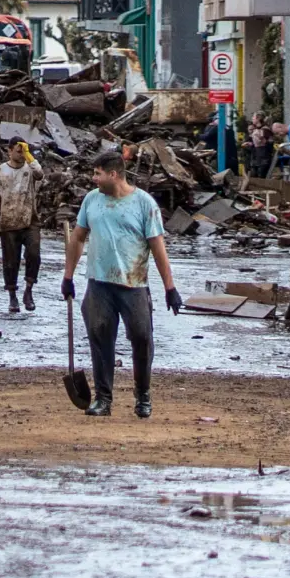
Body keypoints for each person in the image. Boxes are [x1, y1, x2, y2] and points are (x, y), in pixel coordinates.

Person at [62, 151, 182, 418]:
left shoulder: (143, 204)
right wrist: (68, 276)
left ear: (113, 174)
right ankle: (103, 399)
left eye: (97, 173)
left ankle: (143, 395)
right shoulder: (91, 201)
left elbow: (158, 248)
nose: (94, 179)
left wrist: (169, 288)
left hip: (134, 284)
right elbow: (78, 238)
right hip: (99, 284)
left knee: (141, 338)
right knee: (100, 338)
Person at [0, 138, 44, 313]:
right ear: (9, 150)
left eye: (24, 151)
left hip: (30, 219)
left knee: (34, 254)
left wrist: (28, 154)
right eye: (18, 151)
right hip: (8, 220)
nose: (21, 154)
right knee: (10, 262)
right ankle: (12, 296)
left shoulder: (30, 168)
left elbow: (40, 174)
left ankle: (29, 291)